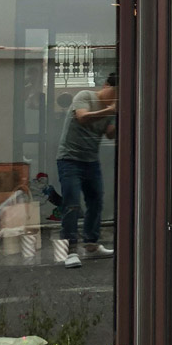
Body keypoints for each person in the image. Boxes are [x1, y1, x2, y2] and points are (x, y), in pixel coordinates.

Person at [55, 72, 117, 269]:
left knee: (96, 201)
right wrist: (110, 111)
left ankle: (91, 244)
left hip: (91, 161)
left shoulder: (110, 110)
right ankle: (70, 250)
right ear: (106, 85)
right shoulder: (85, 96)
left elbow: (110, 134)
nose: (116, 98)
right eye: (115, 92)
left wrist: (122, 116)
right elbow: (82, 117)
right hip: (69, 159)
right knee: (72, 204)